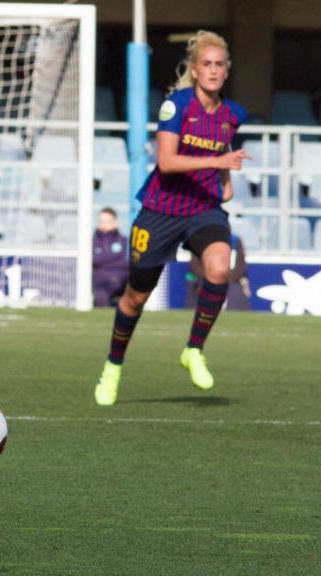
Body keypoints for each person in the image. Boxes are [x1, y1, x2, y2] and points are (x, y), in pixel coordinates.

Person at [94, 30, 248, 405]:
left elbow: (225, 155)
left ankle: (193, 350)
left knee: (219, 268)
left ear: (227, 71)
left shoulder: (233, 114)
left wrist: (225, 181)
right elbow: (166, 162)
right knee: (135, 298)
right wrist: (218, 161)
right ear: (195, 70)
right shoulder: (175, 106)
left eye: (220, 64)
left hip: (204, 208)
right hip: (161, 211)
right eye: (207, 64)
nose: (213, 70)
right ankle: (113, 366)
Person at [185, 233, 251, 311]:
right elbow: (195, 265)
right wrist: (211, 277)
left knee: (237, 292)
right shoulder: (200, 239)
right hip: (205, 278)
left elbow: (240, 264)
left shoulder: (235, 240)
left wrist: (227, 278)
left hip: (230, 278)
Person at [92, 207, 129, 307]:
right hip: (99, 281)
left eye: (107, 221)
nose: (104, 224)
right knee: (101, 296)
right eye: (101, 221)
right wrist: (114, 258)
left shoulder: (124, 241)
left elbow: (125, 262)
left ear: (115, 222)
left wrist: (102, 261)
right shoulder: (92, 242)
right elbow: (93, 260)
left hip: (120, 279)